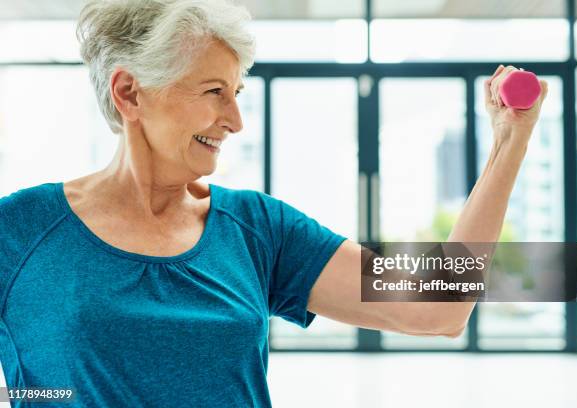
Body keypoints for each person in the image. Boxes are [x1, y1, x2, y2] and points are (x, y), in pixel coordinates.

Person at [0, 0, 548, 406]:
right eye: (214, 91)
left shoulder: (258, 229)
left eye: (236, 94)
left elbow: (438, 307)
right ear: (129, 94)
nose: (236, 121)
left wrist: (508, 142)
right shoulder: (19, 231)